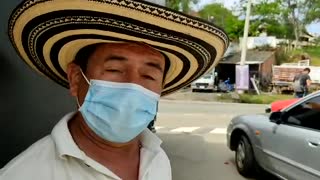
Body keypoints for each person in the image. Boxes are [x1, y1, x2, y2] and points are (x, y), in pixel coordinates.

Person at [1, 0, 228, 179]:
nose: (133, 85)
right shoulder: (25, 174)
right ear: (76, 79)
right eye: (115, 69)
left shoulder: (157, 158)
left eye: (149, 75)